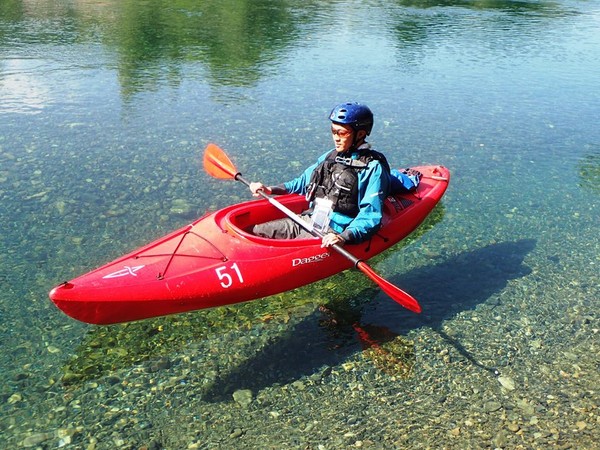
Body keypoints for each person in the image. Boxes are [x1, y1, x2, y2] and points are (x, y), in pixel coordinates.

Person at [249, 102, 391, 248]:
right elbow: (303, 181)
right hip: (309, 220)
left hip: (333, 233)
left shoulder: (372, 168)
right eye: (333, 131)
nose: (336, 137)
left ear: (360, 134)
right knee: (255, 231)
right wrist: (270, 189)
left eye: (341, 133)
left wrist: (343, 237)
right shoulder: (330, 156)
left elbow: (370, 215)